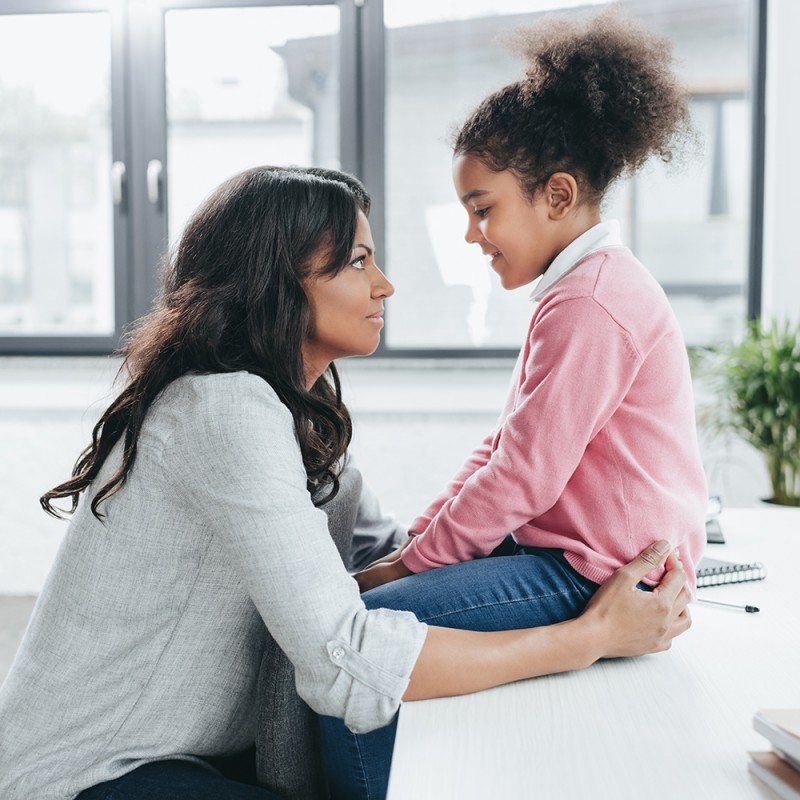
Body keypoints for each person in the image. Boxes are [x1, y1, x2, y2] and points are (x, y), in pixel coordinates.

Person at [0, 165, 689, 800]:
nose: (384, 284)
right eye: (359, 262)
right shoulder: (222, 410)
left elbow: (389, 556)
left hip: (192, 755)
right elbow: (346, 660)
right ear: (278, 283)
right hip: (93, 774)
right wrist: (590, 635)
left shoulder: (292, 422)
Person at [322, 10, 707, 798]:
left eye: (483, 207)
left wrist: (408, 564)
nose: (472, 234)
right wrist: (422, 539)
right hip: (564, 555)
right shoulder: (580, 290)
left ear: (558, 195)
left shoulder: (593, 301)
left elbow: (522, 478)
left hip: (590, 574)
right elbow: (505, 449)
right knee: (378, 592)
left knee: (358, 646)